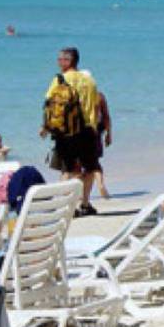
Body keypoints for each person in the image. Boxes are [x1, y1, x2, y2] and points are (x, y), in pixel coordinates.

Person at [39, 47, 101, 216]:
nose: (58, 63)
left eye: (60, 60)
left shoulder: (60, 79)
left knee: (67, 170)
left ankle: (66, 207)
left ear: (68, 61)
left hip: (66, 132)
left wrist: (45, 126)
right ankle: (85, 204)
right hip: (88, 130)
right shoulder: (89, 81)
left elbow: (48, 104)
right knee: (89, 169)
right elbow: (95, 106)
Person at [93, 88, 113, 198]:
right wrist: (109, 134)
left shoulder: (79, 95)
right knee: (94, 161)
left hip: (81, 133)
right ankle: (100, 185)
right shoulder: (99, 95)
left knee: (80, 165)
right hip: (97, 131)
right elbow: (106, 116)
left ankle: (81, 194)